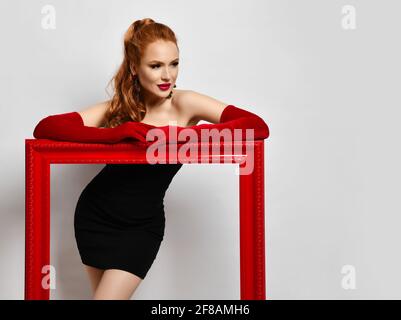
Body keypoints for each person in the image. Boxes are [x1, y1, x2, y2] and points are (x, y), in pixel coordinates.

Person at [33, 18, 270, 300]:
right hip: (94, 217)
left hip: (141, 227)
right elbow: (46, 127)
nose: (167, 75)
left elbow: (257, 126)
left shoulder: (186, 103)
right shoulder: (120, 108)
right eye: (155, 66)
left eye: (174, 63)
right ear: (135, 67)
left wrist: (182, 136)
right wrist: (119, 134)